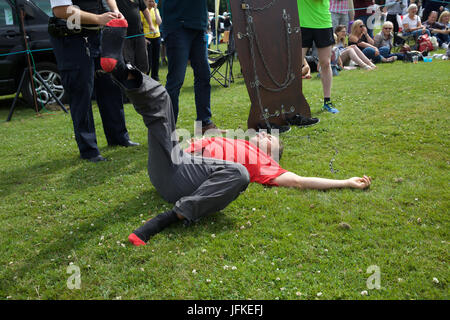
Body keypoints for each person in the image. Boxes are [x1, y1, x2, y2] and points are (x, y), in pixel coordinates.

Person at [98, 19, 372, 245]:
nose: (266, 135)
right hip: (170, 164)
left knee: (238, 173)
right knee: (162, 102)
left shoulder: (265, 167)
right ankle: (122, 70)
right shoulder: (226, 140)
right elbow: (193, 143)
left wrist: (345, 182)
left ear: (273, 158)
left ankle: (167, 219)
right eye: (267, 135)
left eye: (270, 140)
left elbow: (300, 181)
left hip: (182, 182)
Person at [48, 0, 138, 163]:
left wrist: (115, 10)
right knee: (81, 91)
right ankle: (89, 149)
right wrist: (98, 19)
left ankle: (119, 137)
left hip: (98, 34)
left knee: (110, 85)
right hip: (71, 38)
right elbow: (60, 11)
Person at [161, 0, 223, 133]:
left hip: (198, 26)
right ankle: (168, 129)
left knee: (204, 76)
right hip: (178, 25)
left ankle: (204, 122)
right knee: (176, 80)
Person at [298, 0, 339, 114]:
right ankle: (292, 102)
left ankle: (327, 101)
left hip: (323, 23)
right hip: (301, 23)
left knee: (325, 63)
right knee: (296, 65)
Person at [116, 0, 155, 74]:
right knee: (129, 63)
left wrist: (151, 24)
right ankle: (131, 83)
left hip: (139, 35)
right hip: (124, 37)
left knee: (143, 62)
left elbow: (145, 10)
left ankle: (144, 82)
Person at [141, 0, 162, 80]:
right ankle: (147, 77)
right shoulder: (142, 11)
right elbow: (140, 26)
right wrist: (143, 38)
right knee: (148, 59)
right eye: (149, 1)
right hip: (147, 38)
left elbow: (159, 22)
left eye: (152, 1)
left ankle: (155, 77)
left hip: (157, 37)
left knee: (156, 58)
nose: (151, 3)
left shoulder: (156, 10)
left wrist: (156, 10)